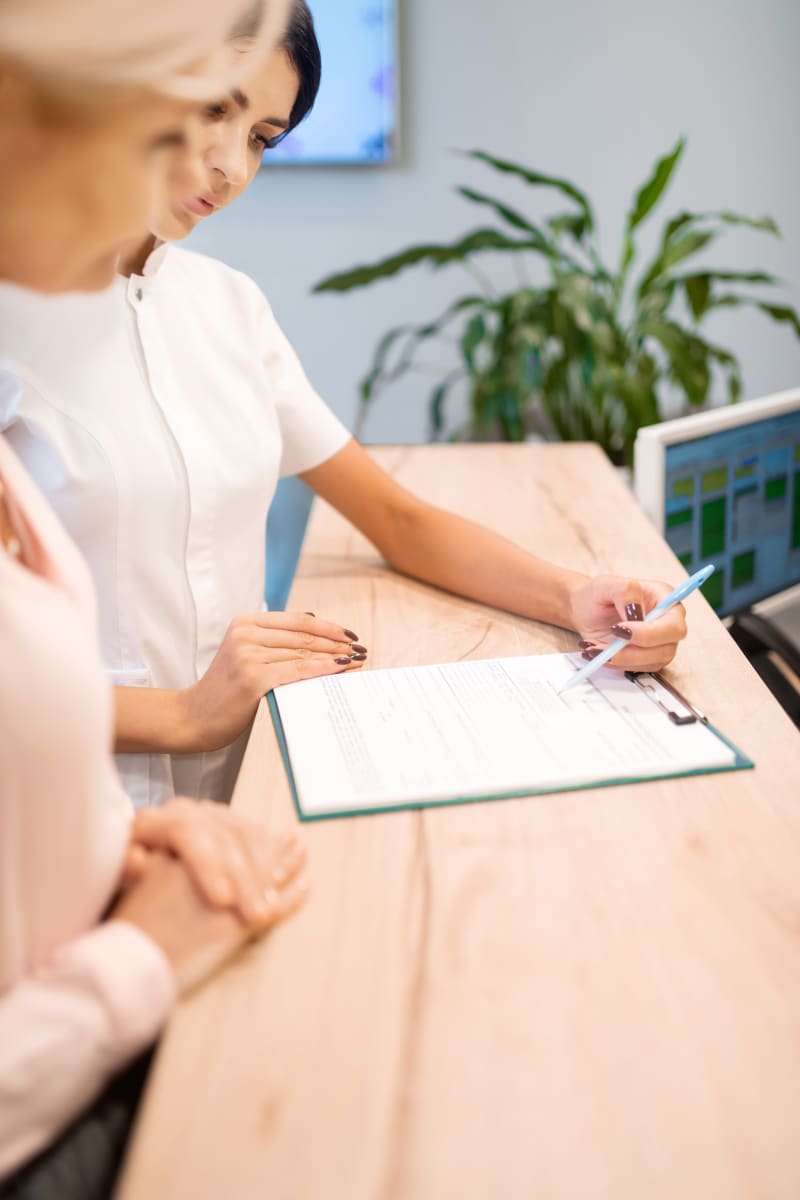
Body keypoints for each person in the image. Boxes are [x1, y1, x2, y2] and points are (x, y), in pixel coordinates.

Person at [0, 0, 689, 816]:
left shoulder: (228, 306)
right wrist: (186, 714)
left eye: (261, 137)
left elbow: (396, 519)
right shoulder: (18, 311)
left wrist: (575, 597)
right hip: (67, 818)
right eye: (212, 108)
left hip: (247, 792)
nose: (228, 167)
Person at [0, 0, 309, 1193]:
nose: (209, 170)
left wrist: (117, 843)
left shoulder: (195, 301)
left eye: (251, 133)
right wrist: (136, 959)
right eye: (175, 114)